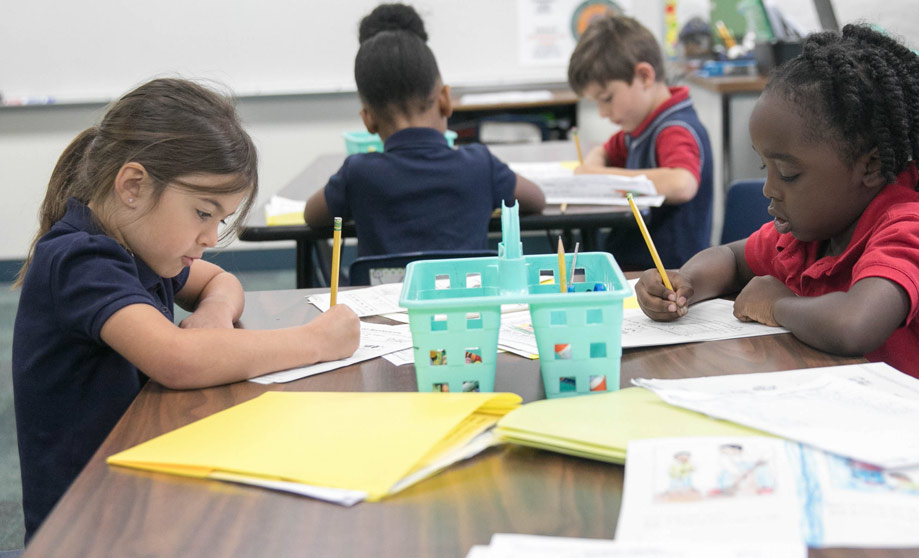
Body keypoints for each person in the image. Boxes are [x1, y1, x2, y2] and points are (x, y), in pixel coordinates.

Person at [12, 78, 361, 542]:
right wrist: (317, 341)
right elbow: (176, 360)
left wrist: (214, 315)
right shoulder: (81, 260)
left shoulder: (139, 245)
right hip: (88, 526)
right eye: (203, 213)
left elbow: (221, 281)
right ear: (133, 185)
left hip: (136, 485)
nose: (211, 238)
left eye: (220, 220)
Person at [634, 24, 919, 418]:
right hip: (855, 425)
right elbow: (732, 260)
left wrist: (780, 305)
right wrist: (683, 284)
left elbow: (855, 324)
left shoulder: (913, 228)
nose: (769, 188)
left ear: (870, 165)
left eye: (787, 174)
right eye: (764, 166)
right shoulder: (814, 231)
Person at [304, 3, 546, 258]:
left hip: (381, 298)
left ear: (368, 120)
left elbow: (311, 215)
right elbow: (537, 200)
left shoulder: (358, 173)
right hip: (467, 297)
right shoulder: (480, 165)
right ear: (445, 100)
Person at [567, 15, 712, 270]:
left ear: (644, 76)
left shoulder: (674, 129)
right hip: (636, 265)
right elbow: (604, 151)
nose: (602, 112)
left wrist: (597, 175)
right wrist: (592, 170)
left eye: (607, 98)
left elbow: (682, 183)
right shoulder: (641, 125)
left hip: (667, 276)